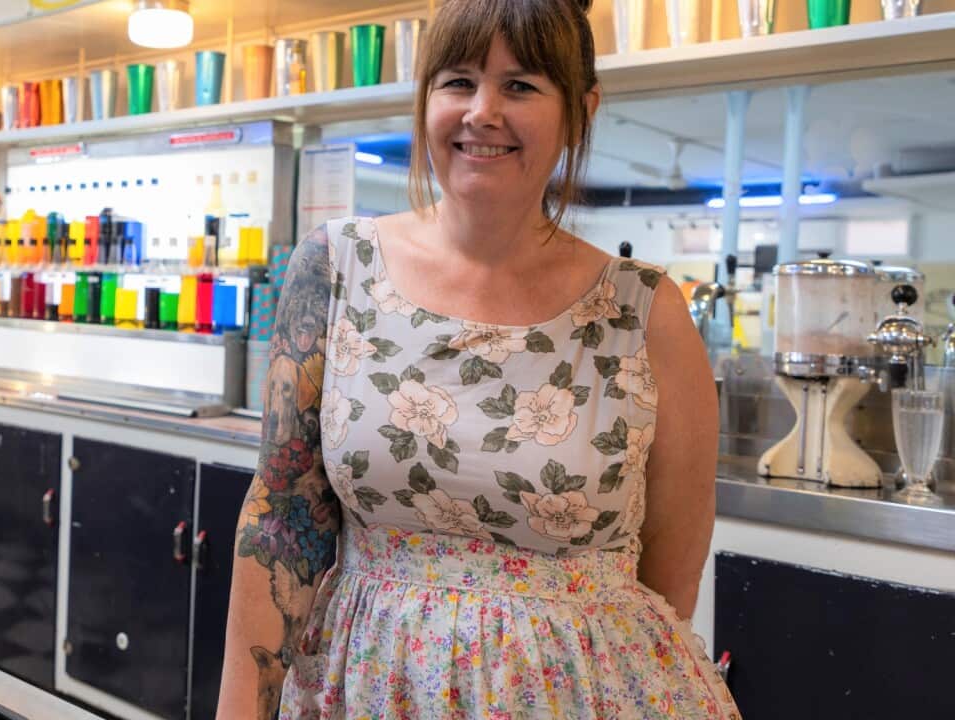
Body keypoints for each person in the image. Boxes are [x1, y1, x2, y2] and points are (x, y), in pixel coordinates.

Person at [217, 0, 742, 716]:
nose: (482, 112)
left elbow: (668, 577)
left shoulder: (645, 313)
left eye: (521, 86)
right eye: (458, 81)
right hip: (369, 689)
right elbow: (283, 519)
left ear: (580, 111)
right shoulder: (336, 268)